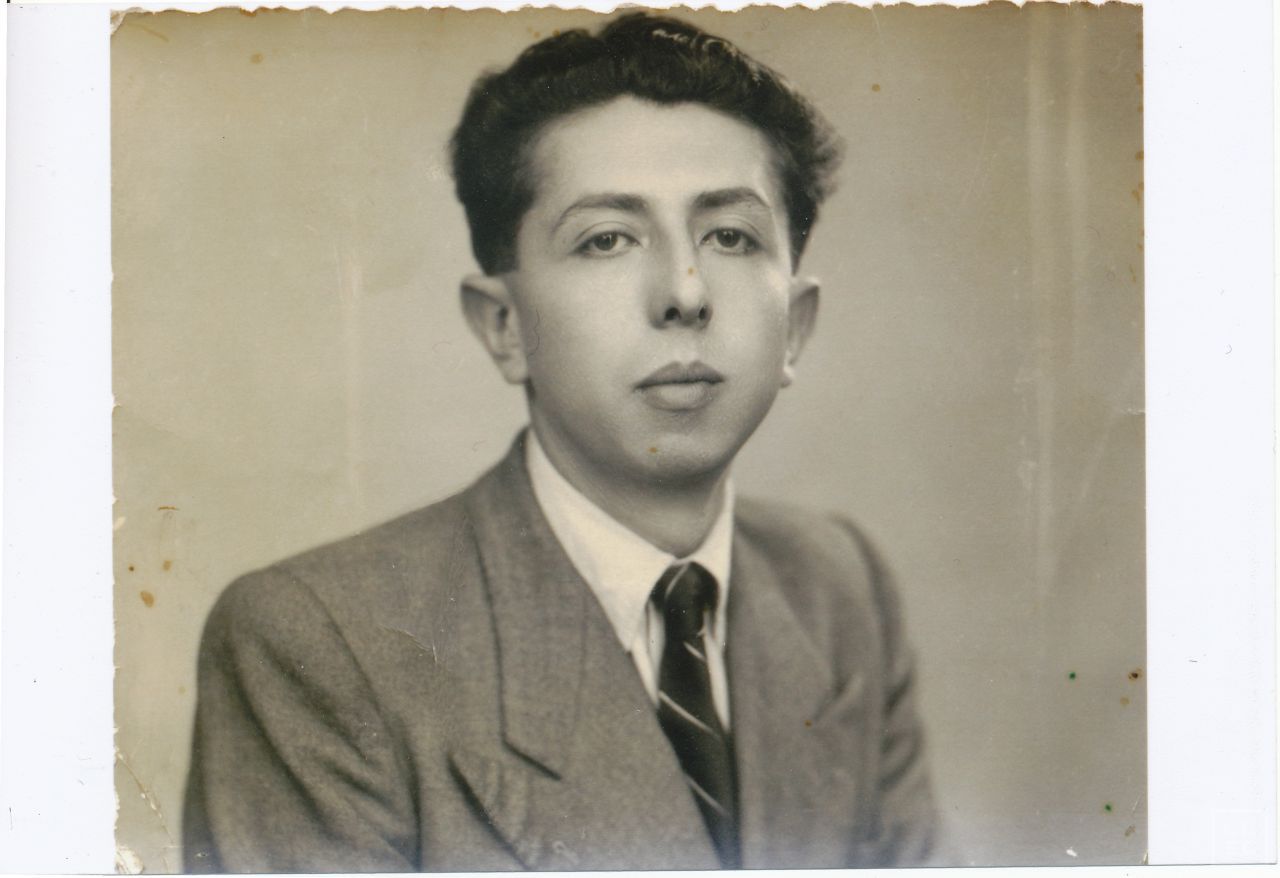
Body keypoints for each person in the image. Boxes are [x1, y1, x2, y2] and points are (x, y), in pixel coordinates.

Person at [183, 12, 942, 872]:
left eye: (730, 236)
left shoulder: (838, 589)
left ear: (795, 325)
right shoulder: (322, 645)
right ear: (504, 326)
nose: (686, 292)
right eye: (606, 239)